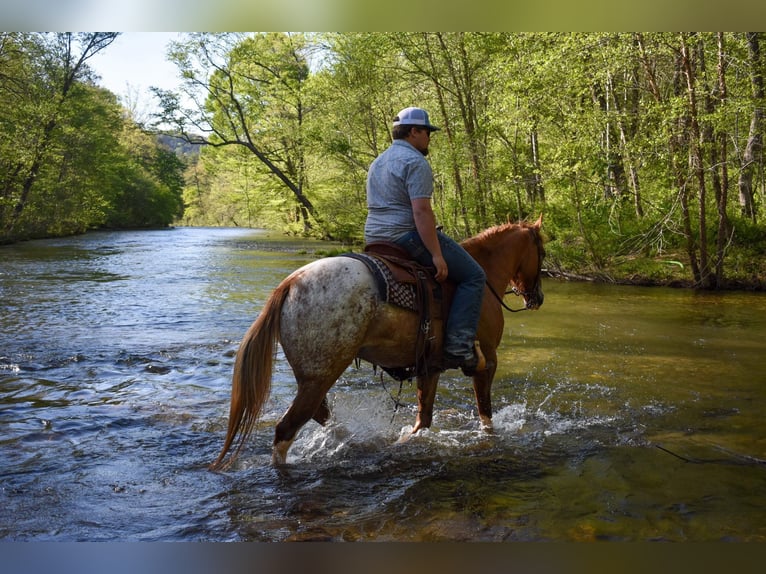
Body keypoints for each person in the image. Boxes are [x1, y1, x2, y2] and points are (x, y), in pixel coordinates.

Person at [364, 106, 486, 374]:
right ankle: (458, 346)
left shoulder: (378, 162)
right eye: (427, 132)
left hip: (373, 237)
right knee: (474, 276)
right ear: (414, 132)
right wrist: (436, 254)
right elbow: (421, 211)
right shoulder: (416, 162)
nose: (429, 137)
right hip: (404, 235)